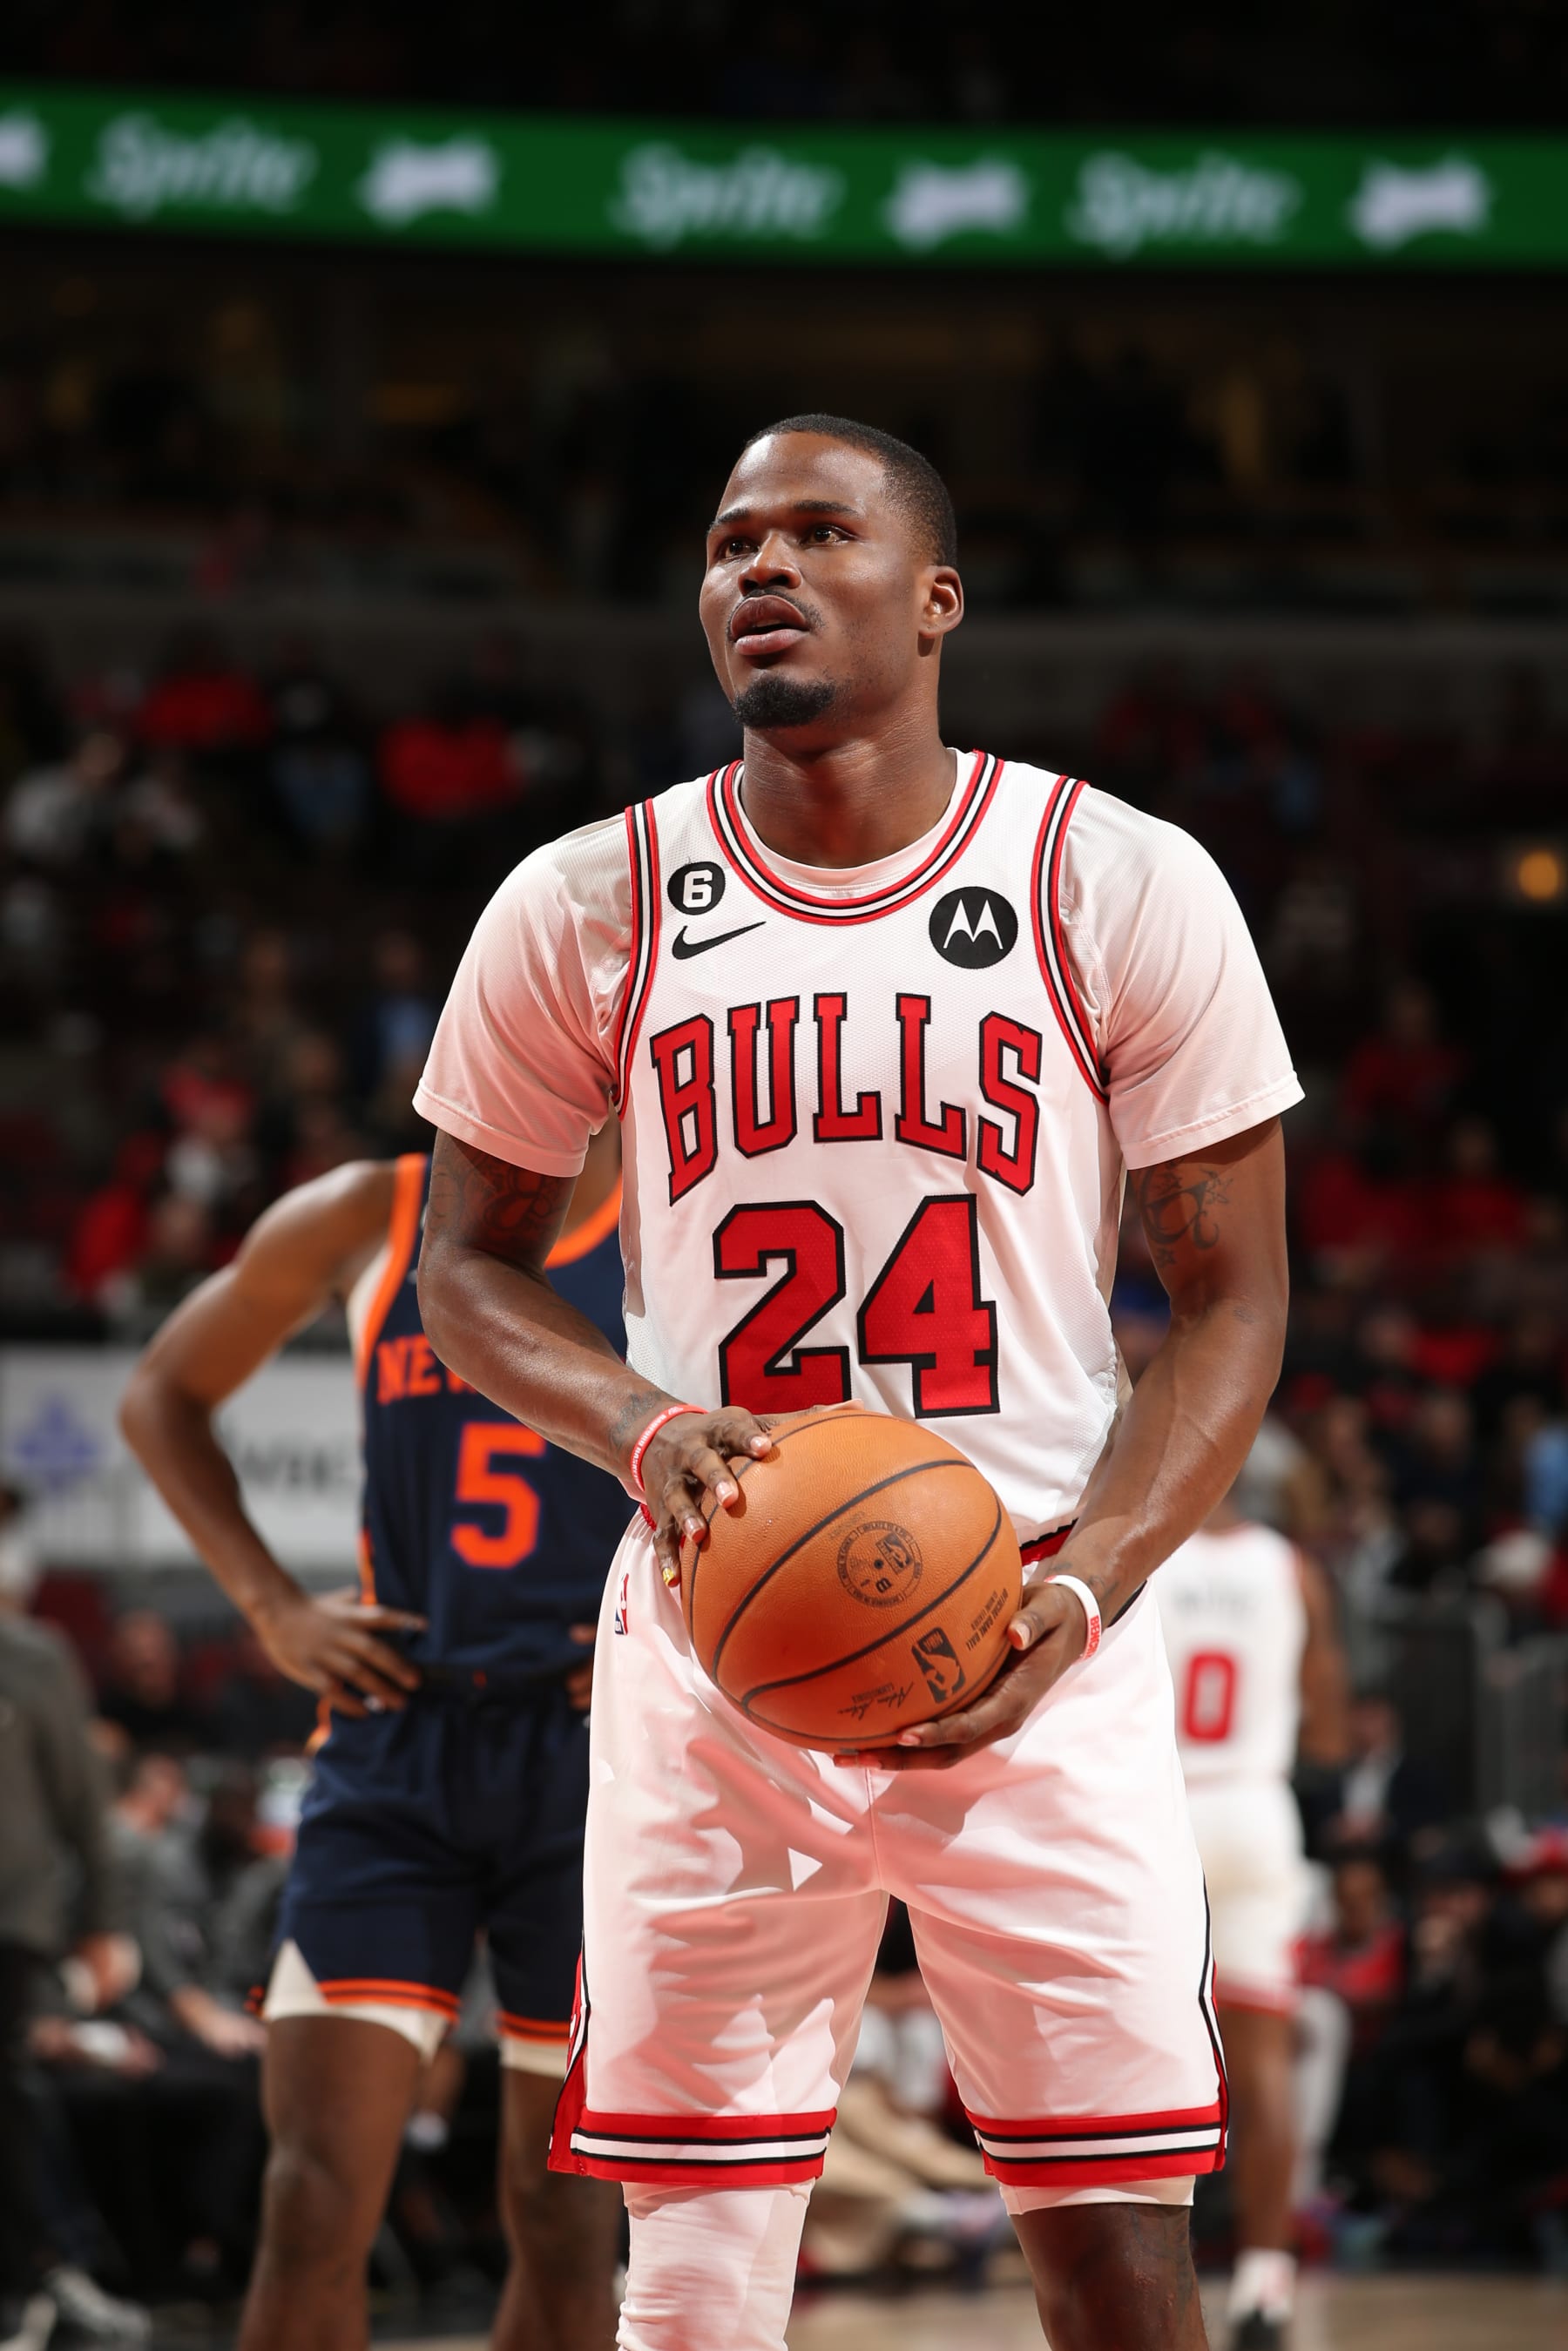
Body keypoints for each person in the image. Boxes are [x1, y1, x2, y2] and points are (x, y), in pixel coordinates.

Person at [414, 414, 1302, 2351]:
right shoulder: (591, 897)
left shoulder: (1117, 878)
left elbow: (1229, 1300)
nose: (761, 568)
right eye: (733, 540)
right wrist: (641, 1426)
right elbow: (460, 1266)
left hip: (1038, 1609)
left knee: (1114, 2250)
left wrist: (1080, 1591)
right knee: (703, 2264)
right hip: (721, 1626)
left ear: (935, 598)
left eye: (821, 532)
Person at [118, 1126, 627, 2351]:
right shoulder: (370, 1212)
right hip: (397, 1739)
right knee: (309, 2199)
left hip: (593, 1759)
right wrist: (272, 1604)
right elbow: (160, 1396)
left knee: (566, 2222)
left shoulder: (685, 1225)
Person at [1156, 1491, 1350, 2347]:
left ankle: (1150, 2267)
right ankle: (1266, 2280)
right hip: (1254, 1809)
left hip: (1158, 1806)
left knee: (1140, 2053)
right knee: (1263, 2054)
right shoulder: (1292, 1566)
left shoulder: (1142, 1544)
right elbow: (1332, 1721)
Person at [0, 1602, 149, 2348]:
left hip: (8, 1920)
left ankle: (40, 2275)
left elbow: (87, 1808)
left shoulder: (32, 1656)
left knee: (12, 2096)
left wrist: (105, 1920)